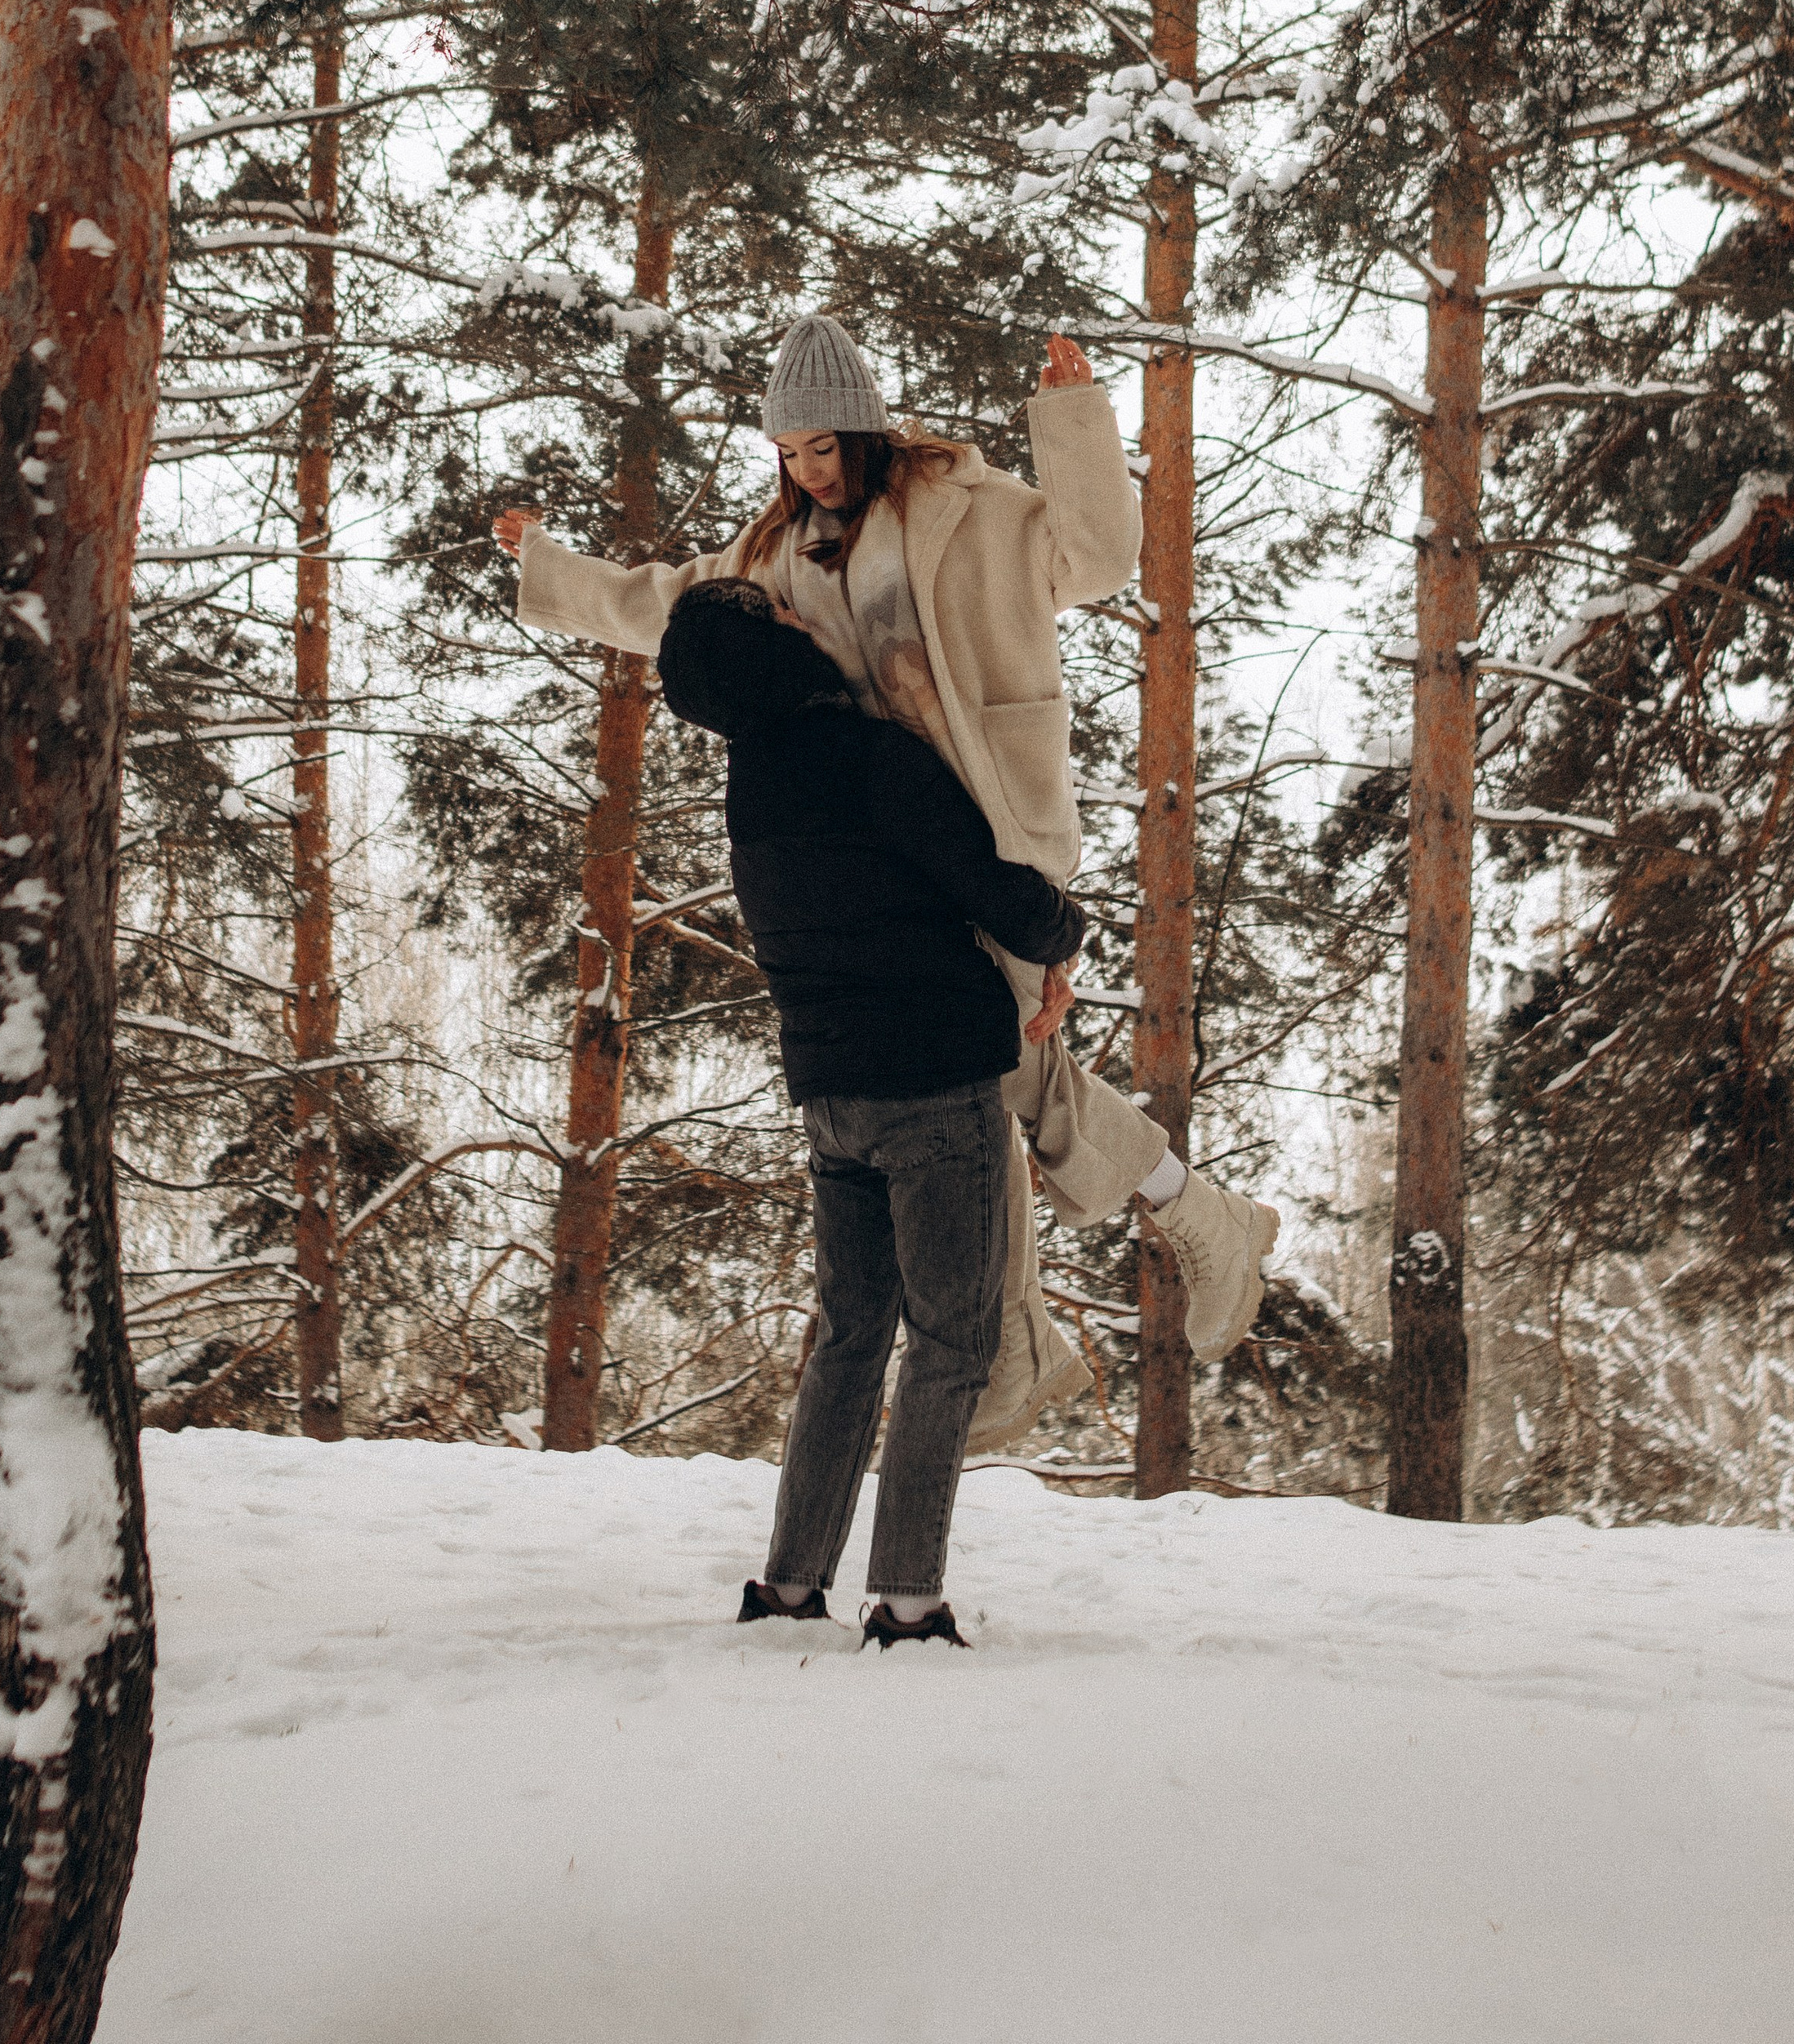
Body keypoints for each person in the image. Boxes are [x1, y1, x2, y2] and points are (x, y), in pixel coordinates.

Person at [494, 312, 1277, 1442]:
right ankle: (1173, 1236)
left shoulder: (966, 506)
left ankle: (1045, 1327)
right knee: (995, 1071)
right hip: (884, 855)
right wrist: (549, 570)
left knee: (990, 1071)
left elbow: (1101, 559)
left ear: (866, 429)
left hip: (988, 831)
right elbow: (668, 604)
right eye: (790, 453)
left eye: (826, 447)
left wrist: (1073, 420)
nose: (810, 473)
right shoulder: (774, 553)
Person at [652, 575, 1083, 1642]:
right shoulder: (871, 756)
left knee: (851, 1337)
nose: (806, 617)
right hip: (933, 1084)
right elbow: (986, 876)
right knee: (950, 1340)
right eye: (785, 615)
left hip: (830, 1098)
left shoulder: (752, 787)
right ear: (771, 648)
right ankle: (908, 1597)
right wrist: (1064, 935)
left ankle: (792, 1583)